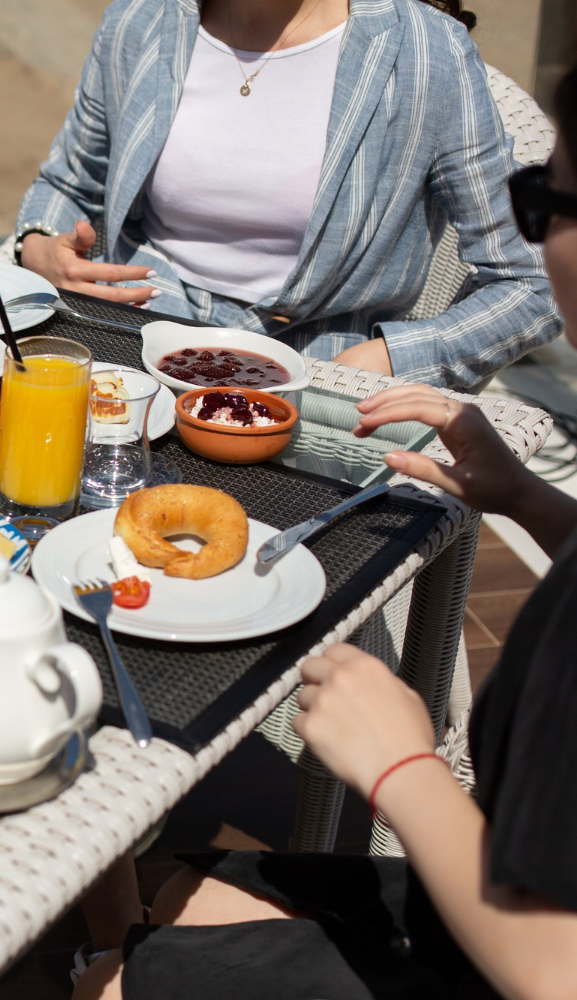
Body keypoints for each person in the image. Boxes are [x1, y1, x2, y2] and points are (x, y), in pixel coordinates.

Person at [71, 63, 577, 1000]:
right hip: (499, 895)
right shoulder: (146, 29)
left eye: (546, 200)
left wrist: (403, 767)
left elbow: (555, 969)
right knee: (174, 892)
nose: (535, 239)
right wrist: (535, 505)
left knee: (111, 981)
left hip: (518, 946)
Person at [13, 0, 558, 392]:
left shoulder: (424, 54)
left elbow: (536, 281)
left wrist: (395, 356)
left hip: (316, 375)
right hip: (128, 345)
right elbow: (67, 184)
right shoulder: (139, 21)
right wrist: (37, 245)